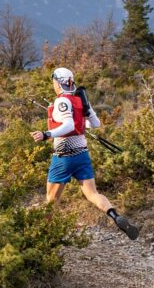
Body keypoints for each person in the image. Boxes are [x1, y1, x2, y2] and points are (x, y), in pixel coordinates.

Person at [30, 67, 138, 240]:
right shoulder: (80, 100)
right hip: (82, 155)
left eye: (54, 82)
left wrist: (46, 134)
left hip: (63, 157)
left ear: (58, 83)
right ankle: (114, 216)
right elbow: (95, 123)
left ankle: (47, 237)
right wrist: (83, 120)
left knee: (51, 200)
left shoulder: (61, 101)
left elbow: (68, 125)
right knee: (93, 194)